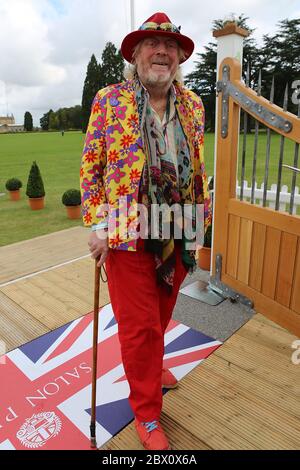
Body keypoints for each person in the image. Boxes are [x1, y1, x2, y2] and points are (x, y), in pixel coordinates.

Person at [80, 12, 211, 451]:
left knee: (160, 314)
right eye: (152, 45)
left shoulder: (194, 106)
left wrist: (200, 225)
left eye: (170, 47)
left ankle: (152, 369)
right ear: (135, 56)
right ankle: (148, 415)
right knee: (139, 328)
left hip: (178, 227)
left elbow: (198, 167)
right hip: (125, 226)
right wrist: (98, 226)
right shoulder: (109, 100)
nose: (162, 52)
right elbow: (92, 166)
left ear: (179, 58)